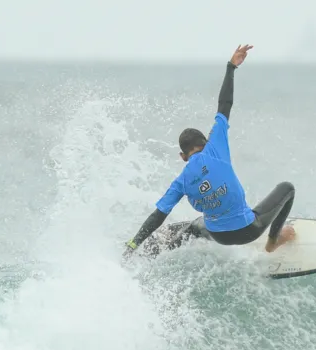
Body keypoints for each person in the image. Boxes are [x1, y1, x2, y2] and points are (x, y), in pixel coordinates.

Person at [123, 44, 296, 259]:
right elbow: (225, 104)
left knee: (195, 227)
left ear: (183, 157)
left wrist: (133, 243)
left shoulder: (181, 181)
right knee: (287, 188)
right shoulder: (215, 147)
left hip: (219, 235)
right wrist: (231, 67)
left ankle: (146, 251)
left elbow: (158, 216)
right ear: (206, 142)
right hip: (248, 231)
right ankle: (273, 241)